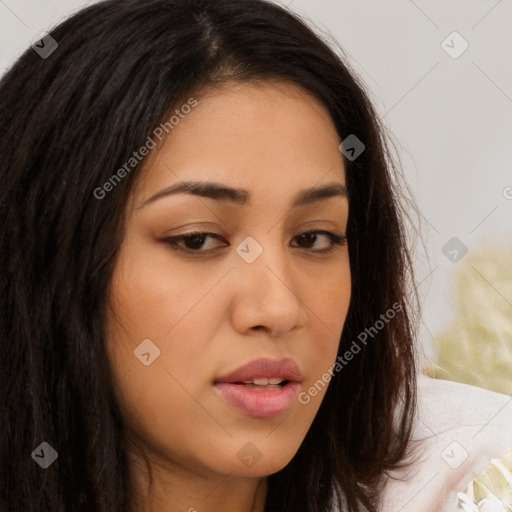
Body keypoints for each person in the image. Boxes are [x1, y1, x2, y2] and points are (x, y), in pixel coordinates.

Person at [0, 1, 510, 511]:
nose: (280, 308)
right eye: (197, 239)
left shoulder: (470, 477)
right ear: (47, 259)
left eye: (314, 238)